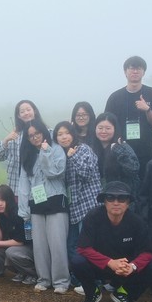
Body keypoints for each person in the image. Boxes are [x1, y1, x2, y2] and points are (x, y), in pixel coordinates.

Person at [69, 181, 152, 302]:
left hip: (126, 269)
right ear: (104, 201)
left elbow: (148, 252)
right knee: (77, 261)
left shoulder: (137, 222)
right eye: (110, 198)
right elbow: (83, 248)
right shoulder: (92, 217)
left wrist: (132, 267)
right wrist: (109, 262)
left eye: (121, 198)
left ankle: (125, 293)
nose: (116, 202)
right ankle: (92, 292)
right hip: (100, 266)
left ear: (128, 203)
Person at [17, 117, 69, 294]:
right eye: (30, 136)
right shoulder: (27, 155)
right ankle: (44, 279)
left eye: (37, 133)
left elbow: (55, 172)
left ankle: (61, 281)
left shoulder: (56, 149)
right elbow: (23, 183)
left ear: (44, 132)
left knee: (57, 243)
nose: (34, 138)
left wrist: (45, 153)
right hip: (36, 202)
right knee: (40, 245)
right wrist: (24, 209)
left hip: (56, 200)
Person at [53, 121, 101, 290]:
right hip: (73, 207)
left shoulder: (83, 149)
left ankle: (93, 281)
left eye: (66, 133)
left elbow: (87, 173)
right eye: (59, 134)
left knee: (87, 245)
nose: (63, 137)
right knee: (72, 245)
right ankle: (79, 278)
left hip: (88, 204)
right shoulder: (61, 153)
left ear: (73, 134)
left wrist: (72, 157)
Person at [105, 56, 152, 177]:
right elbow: (107, 124)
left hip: (146, 150)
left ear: (144, 72)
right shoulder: (115, 97)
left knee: (146, 188)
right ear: (125, 72)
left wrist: (147, 109)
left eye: (139, 68)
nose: (135, 71)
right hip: (122, 151)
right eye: (131, 68)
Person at [91, 112, 140, 205]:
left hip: (122, 200)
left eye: (108, 128)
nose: (103, 131)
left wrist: (117, 149)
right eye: (100, 128)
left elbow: (134, 169)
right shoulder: (92, 149)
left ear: (115, 129)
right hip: (101, 200)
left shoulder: (122, 146)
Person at [0, 100, 42, 195]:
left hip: (38, 187)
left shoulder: (45, 132)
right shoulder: (15, 136)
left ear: (34, 111)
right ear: (18, 116)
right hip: (16, 188)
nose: (26, 113)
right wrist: (6, 140)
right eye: (22, 111)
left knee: (39, 208)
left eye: (28, 109)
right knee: (18, 209)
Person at [0, 184, 28, 279]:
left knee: (10, 251)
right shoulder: (0, 215)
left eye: (3, 200)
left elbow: (20, 241)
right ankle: (11, 272)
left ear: (9, 200)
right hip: (16, 246)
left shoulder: (18, 213)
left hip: (28, 247)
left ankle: (32, 274)